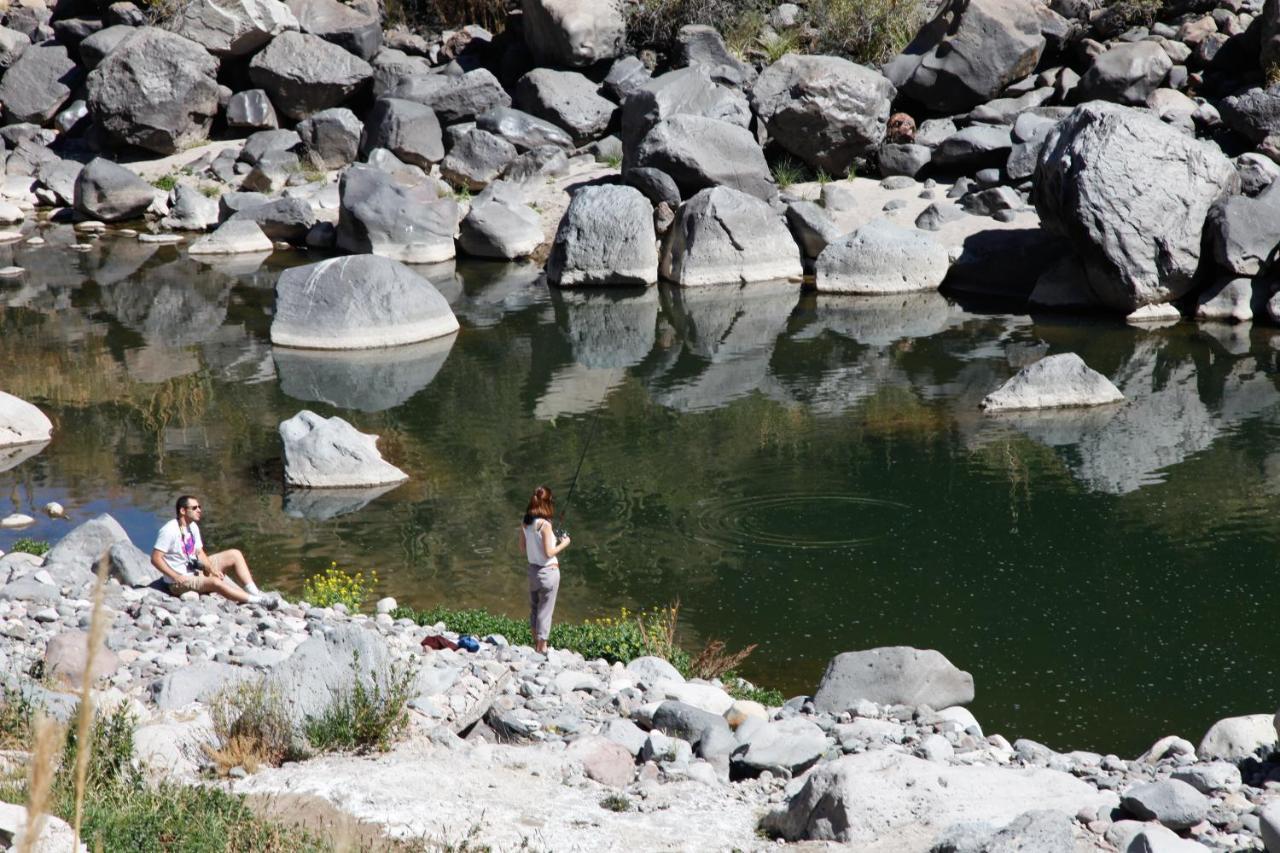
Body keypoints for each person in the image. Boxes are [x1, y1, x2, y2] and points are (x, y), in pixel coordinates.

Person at [151, 495, 264, 604]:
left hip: (194, 571)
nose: (199, 510)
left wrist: (211, 569)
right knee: (215, 582)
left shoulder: (193, 526)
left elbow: (199, 552)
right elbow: (155, 558)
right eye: (194, 508)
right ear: (182, 511)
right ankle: (257, 601)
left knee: (235, 554)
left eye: (199, 507)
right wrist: (175, 576)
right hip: (180, 580)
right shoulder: (169, 530)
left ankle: (254, 592)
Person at [518, 486, 570, 654]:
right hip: (548, 573)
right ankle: (542, 647)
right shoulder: (545, 526)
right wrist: (564, 543)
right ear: (547, 503)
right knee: (545, 611)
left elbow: (522, 547)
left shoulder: (526, 523)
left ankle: (536, 645)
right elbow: (549, 552)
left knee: (535, 608)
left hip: (533, 572)